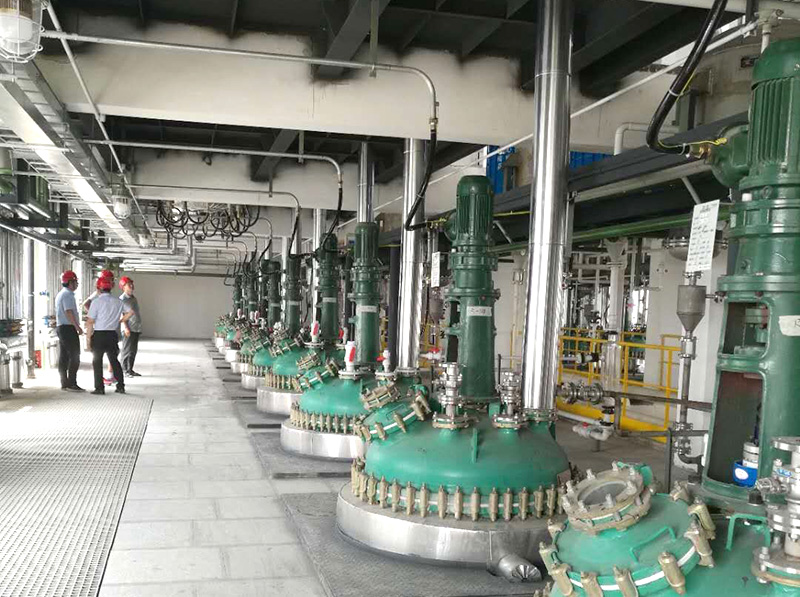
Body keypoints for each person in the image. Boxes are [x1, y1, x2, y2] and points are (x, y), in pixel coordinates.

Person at [86, 274, 132, 395]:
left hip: (99, 335)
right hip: (112, 335)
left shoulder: (96, 302)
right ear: (110, 287)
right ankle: (120, 386)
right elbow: (131, 312)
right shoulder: (118, 301)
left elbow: (90, 322)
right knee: (114, 360)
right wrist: (120, 320)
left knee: (97, 361)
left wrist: (88, 340)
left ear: (99, 288)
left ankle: (99, 388)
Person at [84, 269, 116, 386]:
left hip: (108, 327)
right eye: (110, 279)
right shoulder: (98, 293)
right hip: (101, 329)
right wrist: (95, 315)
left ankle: (110, 376)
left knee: (111, 355)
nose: (111, 282)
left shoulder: (107, 292)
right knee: (99, 357)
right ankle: (102, 379)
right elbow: (86, 304)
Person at [55, 270, 84, 392]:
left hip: (62, 328)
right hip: (68, 328)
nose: (77, 284)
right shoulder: (68, 295)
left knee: (64, 356)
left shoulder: (62, 294)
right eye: (75, 282)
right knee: (75, 355)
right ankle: (72, 382)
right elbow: (69, 312)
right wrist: (77, 327)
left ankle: (64, 382)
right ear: (69, 282)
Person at [118, 276, 142, 377]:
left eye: (132, 284)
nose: (132, 286)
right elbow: (122, 315)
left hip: (136, 328)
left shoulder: (133, 298)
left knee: (133, 350)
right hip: (128, 329)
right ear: (123, 287)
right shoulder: (122, 299)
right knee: (126, 350)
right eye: (129, 284)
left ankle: (130, 369)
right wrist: (126, 328)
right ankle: (124, 370)